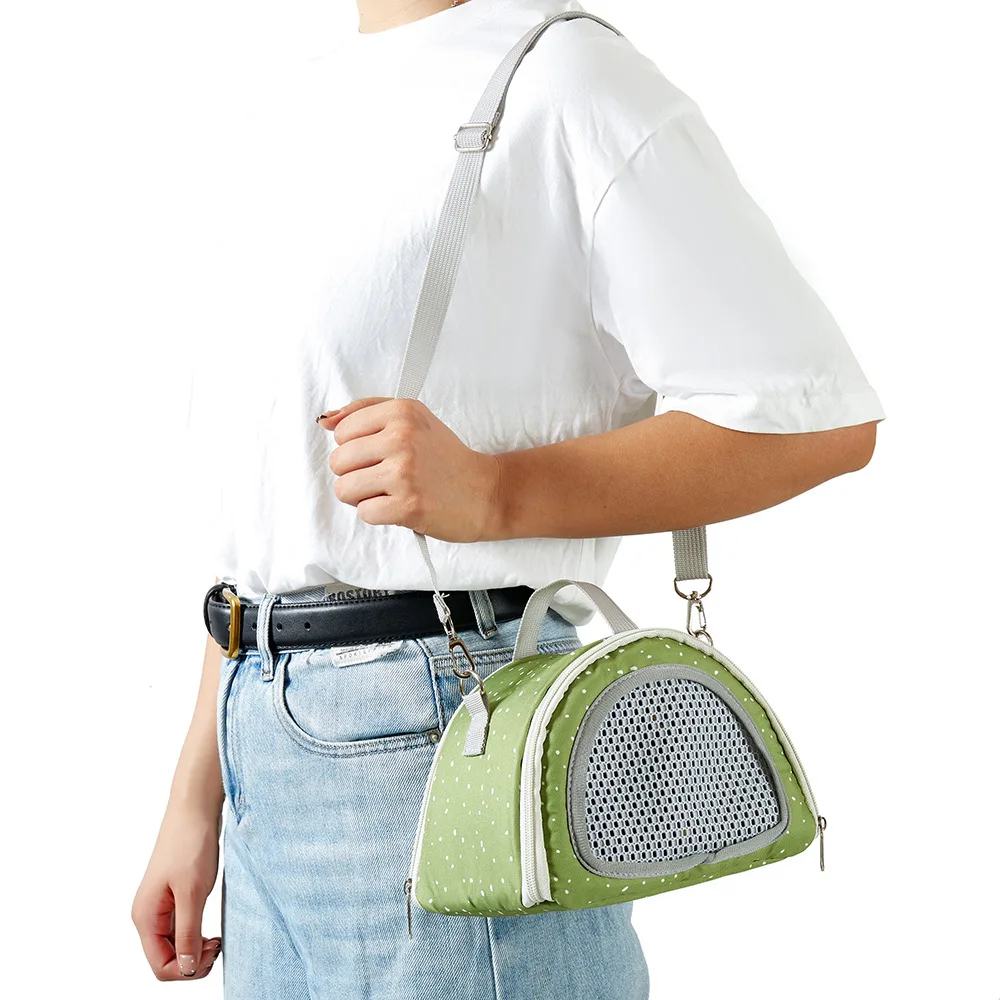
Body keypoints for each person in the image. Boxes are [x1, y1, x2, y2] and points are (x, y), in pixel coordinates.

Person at [131, 0, 886, 996]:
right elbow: (273, 510)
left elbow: (816, 418)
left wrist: (493, 492)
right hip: (260, 749)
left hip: (445, 722)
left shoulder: (567, 80)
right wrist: (195, 796)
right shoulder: (289, 110)